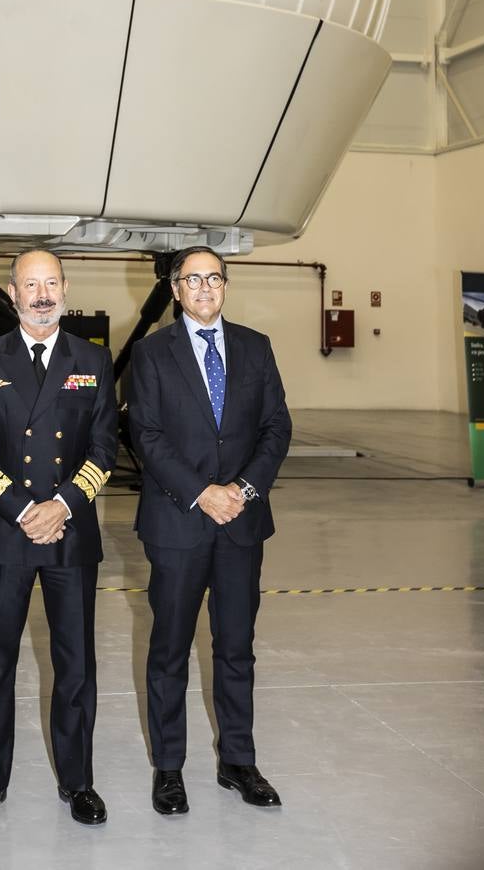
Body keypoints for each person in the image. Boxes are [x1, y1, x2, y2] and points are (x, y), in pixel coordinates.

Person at [0, 249, 117, 828]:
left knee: (74, 663)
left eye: (51, 283)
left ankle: (79, 782)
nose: (42, 294)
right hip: (5, 534)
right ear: (13, 292)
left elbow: (105, 449)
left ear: (65, 289)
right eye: (31, 285)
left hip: (71, 535)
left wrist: (63, 506)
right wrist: (25, 509)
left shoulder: (93, 360)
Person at [128, 245, 292, 816]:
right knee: (170, 649)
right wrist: (203, 492)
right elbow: (145, 436)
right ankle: (169, 769)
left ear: (226, 285)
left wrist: (242, 491)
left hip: (241, 527)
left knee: (237, 648)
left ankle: (238, 761)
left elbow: (276, 428)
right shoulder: (152, 355)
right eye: (192, 279)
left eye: (214, 278)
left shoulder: (255, 347)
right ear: (175, 289)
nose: (204, 288)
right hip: (178, 523)